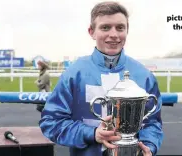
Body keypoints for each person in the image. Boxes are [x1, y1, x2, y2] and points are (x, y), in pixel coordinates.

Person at [39, 1, 163, 156]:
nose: (114, 34)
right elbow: (51, 123)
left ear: (127, 31)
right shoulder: (73, 74)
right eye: (105, 27)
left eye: (120, 28)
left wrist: (150, 147)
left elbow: (152, 123)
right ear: (92, 32)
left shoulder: (144, 76)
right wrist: (92, 134)